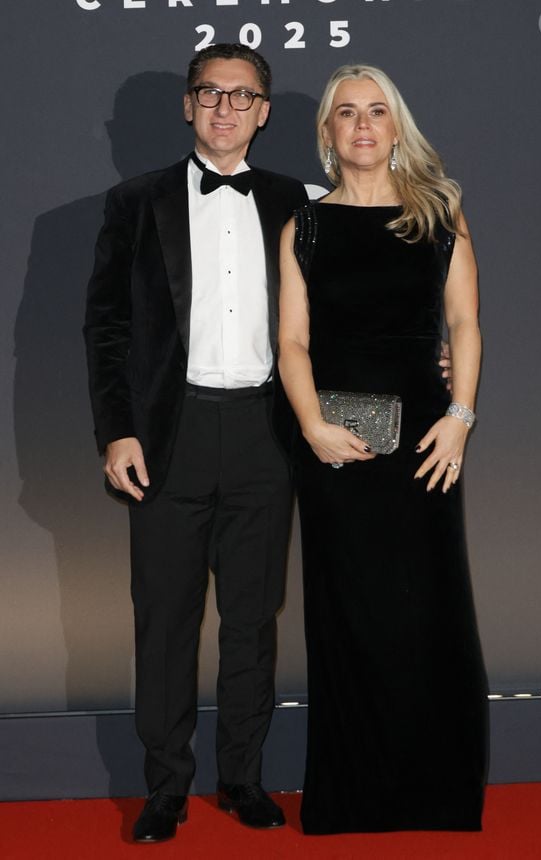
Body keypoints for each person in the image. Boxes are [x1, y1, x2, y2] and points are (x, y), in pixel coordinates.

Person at [84, 43, 307, 843]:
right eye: (209, 94)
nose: (224, 109)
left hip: (265, 435)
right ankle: (166, 788)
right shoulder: (133, 202)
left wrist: (439, 352)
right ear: (187, 105)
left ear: (264, 111)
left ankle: (244, 778)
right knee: (167, 618)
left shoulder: (298, 201)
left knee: (253, 620)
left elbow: (348, 315)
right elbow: (105, 331)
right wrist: (116, 432)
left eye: (241, 96)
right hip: (168, 437)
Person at [278, 64, 488, 835]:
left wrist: (461, 415)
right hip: (333, 442)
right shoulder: (308, 226)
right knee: (347, 613)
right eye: (346, 114)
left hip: (427, 439)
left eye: (376, 111)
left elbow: (464, 324)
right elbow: (291, 340)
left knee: (428, 607)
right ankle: (353, 796)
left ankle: (437, 793)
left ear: (396, 124)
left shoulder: (441, 212)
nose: (362, 125)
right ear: (328, 132)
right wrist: (310, 427)